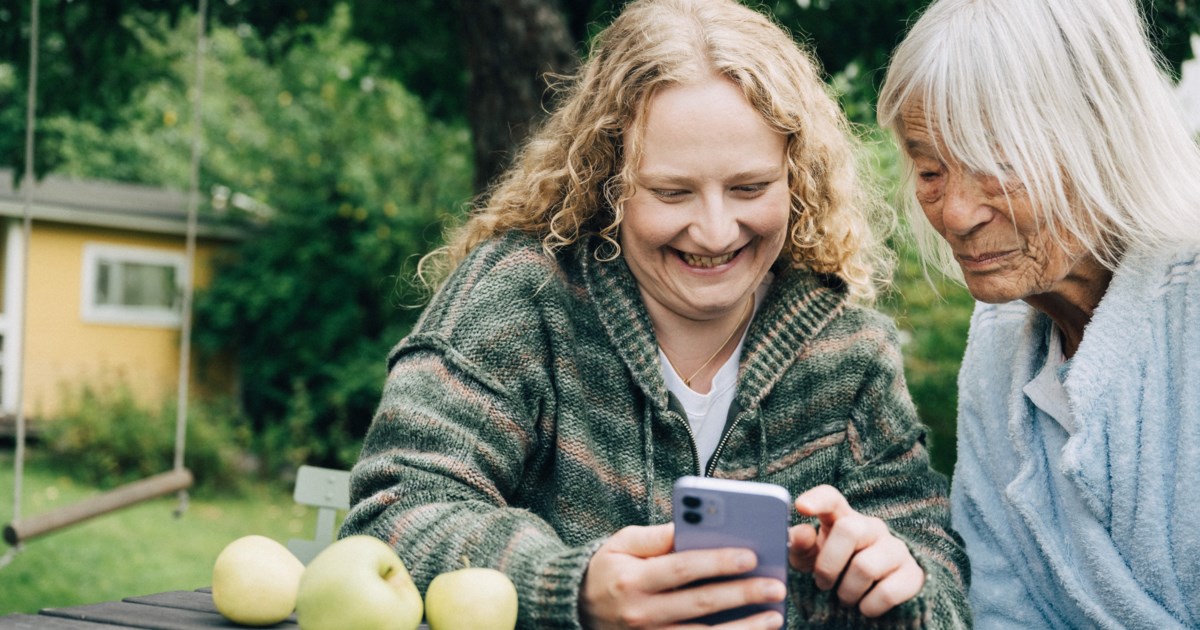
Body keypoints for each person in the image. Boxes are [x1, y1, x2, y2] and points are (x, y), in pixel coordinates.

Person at [341, 0, 970, 627]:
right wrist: (572, 588)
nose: (716, 231)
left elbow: (942, 585)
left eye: (750, 188)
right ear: (607, 181)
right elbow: (396, 511)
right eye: (672, 192)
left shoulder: (851, 355)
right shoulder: (519, 299)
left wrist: (898, 582)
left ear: (796, 177)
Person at [877, 0, 1200, 627]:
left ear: (1105, 137)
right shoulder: (1000, 340)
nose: (955, 214)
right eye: (930, 170)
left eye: (999, 165)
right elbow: (999, 598)